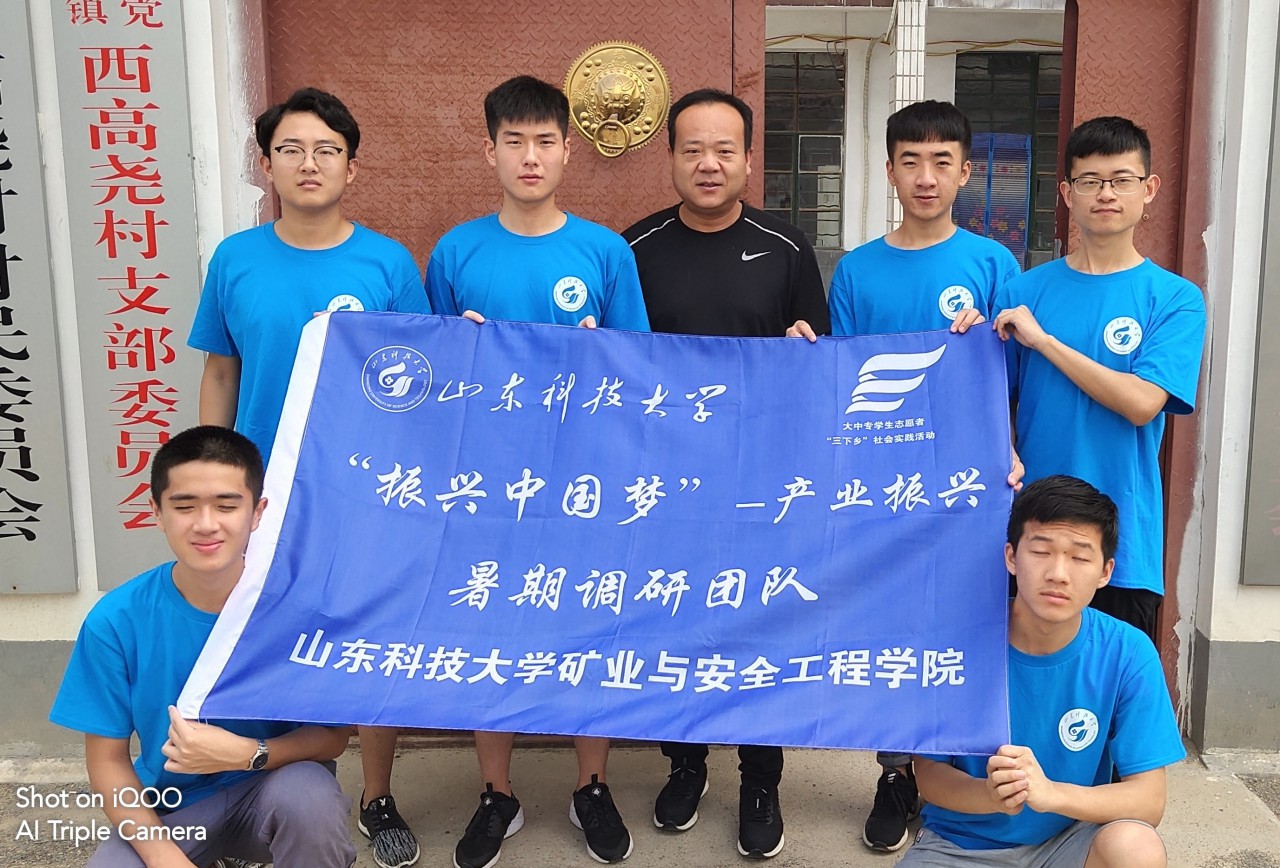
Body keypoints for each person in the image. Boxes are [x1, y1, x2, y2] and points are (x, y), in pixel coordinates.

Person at [188, 88, 428, 868]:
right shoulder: (236, 260)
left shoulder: (387, 264)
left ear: (352, 168)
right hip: (261, 497)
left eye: (327, 150)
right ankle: (264, 798)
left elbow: (420, 378)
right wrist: (213, 481)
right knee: (262, 640)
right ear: (266, 165)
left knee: (367, 646)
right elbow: (221, 372)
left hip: (361, 494)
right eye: (291, 149)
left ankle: (375, 796)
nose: (309, 163)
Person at [425, 74, 648, 868]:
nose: (529, 156)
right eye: (513, 141)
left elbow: (638, 370)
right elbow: (430, 378)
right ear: (489, 151)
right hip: (487, 481)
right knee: (490, 623)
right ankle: (498, 792)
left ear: (567, 152)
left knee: (588, 621)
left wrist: (598, 355)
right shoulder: (455, 252)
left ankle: (592, 785)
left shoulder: (605, 251)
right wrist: (461, 349)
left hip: (584, 477)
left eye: (544, 141)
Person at [789, 99, 1024, 853]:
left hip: (969, 485)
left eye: (941, 162)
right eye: (911, 161)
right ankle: (896, 774)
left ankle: (957, 774)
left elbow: (1015, 376)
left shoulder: (993, 265)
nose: (926, 177)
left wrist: (1010, 450)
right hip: (883, 484)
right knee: (889, 624)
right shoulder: (857, 270)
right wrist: (806, 356)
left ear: (965, 172)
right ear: (889, 171)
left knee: (960, 618)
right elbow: (844, 380)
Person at [622, 87, 828, 860]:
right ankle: (685, 764)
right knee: (677, 622)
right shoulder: (633, 248)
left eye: (724, 150)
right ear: (671, 158)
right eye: (692, 150)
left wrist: (805, 348)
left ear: (747, 159)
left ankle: (761, 780)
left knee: (759, 628)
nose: (708, 164)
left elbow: (821, 363)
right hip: (666, 483)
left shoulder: (787, 246)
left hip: (761, 481)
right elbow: (613, 367)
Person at [49, 426, 356, 868]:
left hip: (274, 786)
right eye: (184, 506)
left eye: (227, 505)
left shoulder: (302, 607)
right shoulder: (116, 620)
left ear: (257, 512)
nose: (206, 524)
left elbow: (332, 737)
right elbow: (107, 761)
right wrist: (163, 858)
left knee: (310, 799)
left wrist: (249, 753)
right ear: (156, 511)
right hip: (173, 806)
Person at [993, 116, 1206, 646]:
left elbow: (1142, 403)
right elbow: (991, 405)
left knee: (1111, 686)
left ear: (1148, 189)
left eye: (1121, 180)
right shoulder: (1024, 293)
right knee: (1019, 686)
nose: (1106, 193)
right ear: (1068, 193)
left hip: (1120, 546)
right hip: (1032, 534)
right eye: (1090, 181)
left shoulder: (1175, 298)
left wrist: (1045, 342)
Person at [899, 475, 1184, 867]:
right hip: (959, 845)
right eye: (1041, 551)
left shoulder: (1128, 652)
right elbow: (930, 775)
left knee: (1136, 847)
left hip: (1069, 841)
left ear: (1105, 571)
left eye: (1080, 557)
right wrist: (991, 795)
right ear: (1011, 557)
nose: (1058, 573)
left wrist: (1052, 794)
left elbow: (1148, 800)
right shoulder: (958, 645)